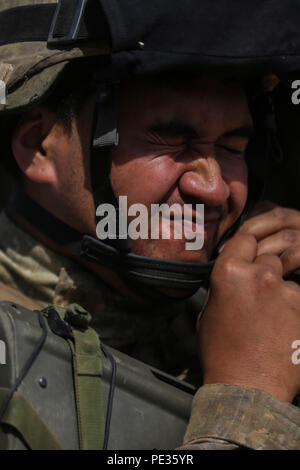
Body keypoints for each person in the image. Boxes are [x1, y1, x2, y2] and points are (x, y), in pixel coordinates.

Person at [0, 0, 300, 450]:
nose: (215, 189)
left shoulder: (260, 313)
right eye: (171, 140)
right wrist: (250, 399)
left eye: (233, 147)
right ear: (40, 145)